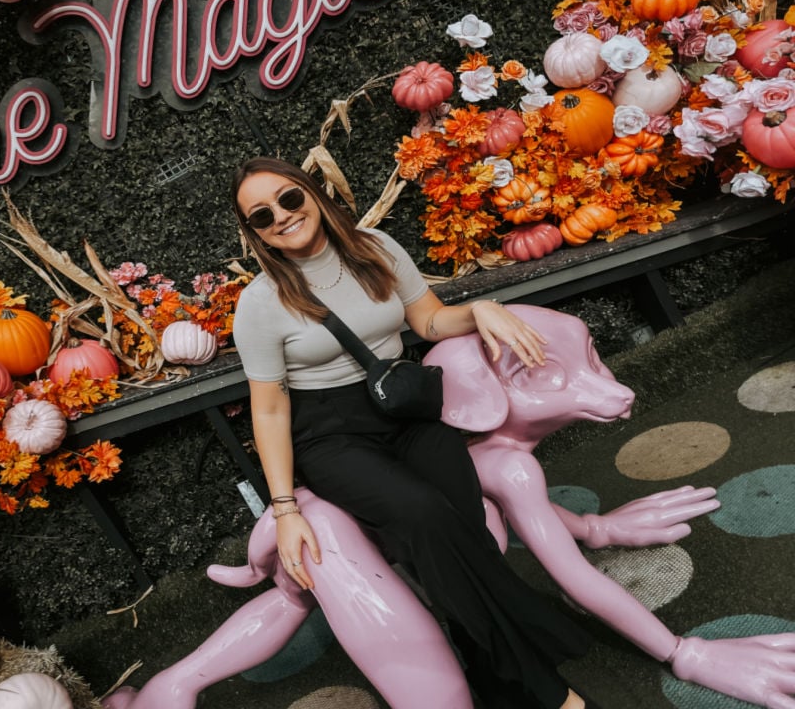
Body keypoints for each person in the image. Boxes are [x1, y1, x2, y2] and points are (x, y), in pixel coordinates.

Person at [230, 156, 593, 709]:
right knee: (425, 515)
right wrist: (284, 509)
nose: (281, 216)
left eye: (289, 198)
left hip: (403, 410)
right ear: (254, 234)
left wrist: (482, 307)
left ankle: (496, 682)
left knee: (464, 522)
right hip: (330, 435)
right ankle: (546, 684)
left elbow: (427, 321)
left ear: (313, 194)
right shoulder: (259, 304)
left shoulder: (374, 247)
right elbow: (271, 411)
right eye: (261, 215)